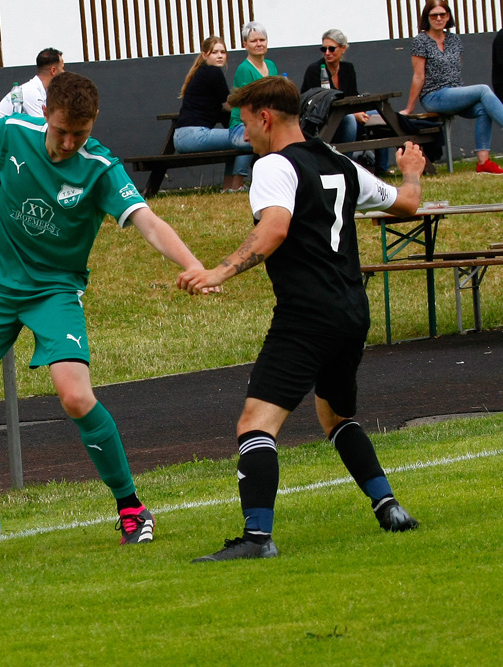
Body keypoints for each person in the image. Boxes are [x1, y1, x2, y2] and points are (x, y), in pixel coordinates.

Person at [0, 71, 211, 571]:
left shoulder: (100, 167)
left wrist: (193, 265)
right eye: (63, 130)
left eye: (81, 133)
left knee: (74, 395)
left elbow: (148, 221)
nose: (69, 143)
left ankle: (132, 508)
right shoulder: (15, 132)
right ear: (46, 114)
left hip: (54, 290)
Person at [177, 76, 423, 562]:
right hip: (352, 310)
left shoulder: (273, 165)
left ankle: (257, 540)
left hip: (306, 315)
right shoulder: (341, 163)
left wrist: (219, 272)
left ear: (265, 118)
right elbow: (408, 204)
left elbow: (274, 227)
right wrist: (411, 170)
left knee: (255, 425)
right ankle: (389, 507)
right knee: (336, 418)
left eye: (245, 124)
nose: (244, 135)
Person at [403, 0, 503, 174]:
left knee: (484, 108)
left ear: (448, 17)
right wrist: (409, 108)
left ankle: (483, 162)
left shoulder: (454, 39)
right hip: (434, 96)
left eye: (443, 14)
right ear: (427, 18)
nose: (439, 18)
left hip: (455, 94)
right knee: (483, 89)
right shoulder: (421, 40)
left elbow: (455, 70)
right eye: (434, 15)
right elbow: (418, 76)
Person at [301, 29, 390, 174]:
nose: (327, 52)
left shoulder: (348, 69)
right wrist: (355, 114)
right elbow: (316, 103)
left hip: (349, 113)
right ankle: (344, 167)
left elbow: (353, 96)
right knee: (349, 119)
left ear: (343, 49)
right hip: (323, 120)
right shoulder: (315, 70)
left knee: (379, 113)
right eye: (324, 49)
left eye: (331, 48)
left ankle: (382, 167)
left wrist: (358, 111)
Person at [174, 36, 251, 191]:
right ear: (205, 55)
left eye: (223, 52)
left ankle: (228, 187)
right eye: (214, 52)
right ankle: (237, 185)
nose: (220, 55)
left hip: (183, 137)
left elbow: (224, 114)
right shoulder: (212, 72)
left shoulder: (202, 72)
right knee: (249, 138)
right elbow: (229, 105)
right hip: (194, 135)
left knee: (235, 140)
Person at [228, 22, 278, 186]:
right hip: (241, 127)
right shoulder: (244, 69)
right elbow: (248, 106)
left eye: (262, 40)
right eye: (254, 41)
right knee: (259, 134)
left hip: (267, 122)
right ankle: (237, 183)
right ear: (245, 45)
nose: (259, 44)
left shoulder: (271, 65)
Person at [0, 47, 64, 122]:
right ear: (53, 70)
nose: (63, 72)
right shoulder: (31, 92)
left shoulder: (41, 91)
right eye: (62, 68)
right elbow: (42, 127)